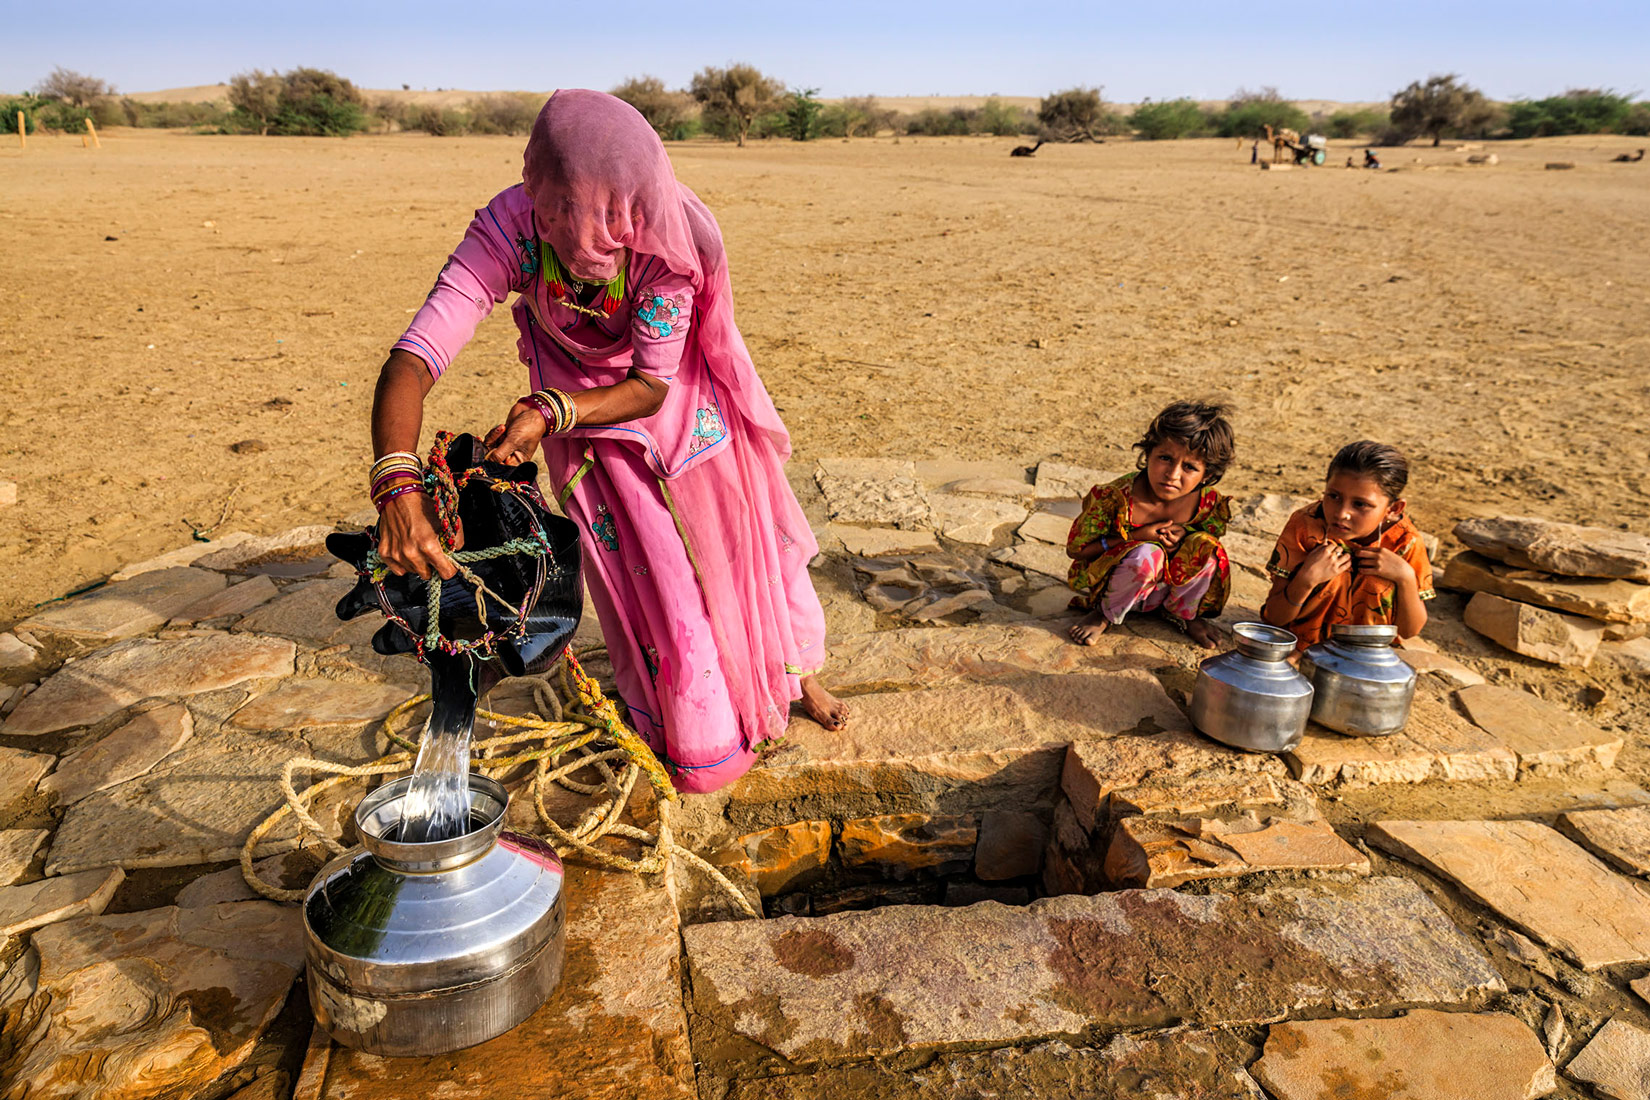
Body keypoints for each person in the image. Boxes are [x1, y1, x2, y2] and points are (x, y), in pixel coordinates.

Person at [367, 90, 848, 794]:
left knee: (733, 555)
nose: (594, 239)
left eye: (610, 221)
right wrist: (397, 485)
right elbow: (415, 355)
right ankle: (684, 715)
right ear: (542, 193)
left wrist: (549, 409)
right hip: (575, 416)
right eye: (567, 217)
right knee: (650, 572)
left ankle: (795, 680)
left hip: (672, 406)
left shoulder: (666, 240)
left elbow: (652, 384)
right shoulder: (513, 228)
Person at [1066, 401, 1235, 650]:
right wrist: (1135, 536)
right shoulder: (1115, 498)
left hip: (1165, 594)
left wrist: (1185, 535)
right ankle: (1103, 615)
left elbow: (1209, 537)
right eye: (1165, 458)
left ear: (1207, 475)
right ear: (1148, 455)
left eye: (1189, 467)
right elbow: (1076, 550)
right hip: (1117, 587)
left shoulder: (1207, 503)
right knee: (1148, 554)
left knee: (1207, 549)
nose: (1173, 474)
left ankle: (1185, 614)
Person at [1260, 440, 1434, 651]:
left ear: (1394, 509)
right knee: (1328, 572)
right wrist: (1306, 580)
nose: (1341, 513)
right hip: (1301, 647)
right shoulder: (1306, 526)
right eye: (1333, 496)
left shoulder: (1405, 542)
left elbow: (1409, 631)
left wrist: (1405, 577)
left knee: (1378, 582)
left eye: (1360, 504)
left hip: (1366, 656)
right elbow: (1273, 617)